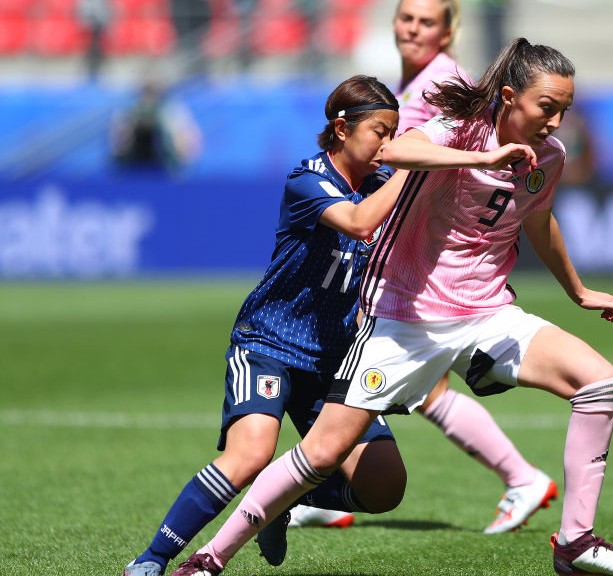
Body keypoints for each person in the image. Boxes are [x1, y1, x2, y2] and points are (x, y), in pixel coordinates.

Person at [168, 38, 613, 576]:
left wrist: (578, 291)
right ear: (511, 97)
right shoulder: (463, 129)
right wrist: (483, 155)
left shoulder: (550, 158)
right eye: (547, 107)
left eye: (565, 109)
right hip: (403, 317)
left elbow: (539, 221)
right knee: (323, 455)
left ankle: (575, 543)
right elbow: (394, 151)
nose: (557, 121)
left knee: (597, 381)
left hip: (488, 312)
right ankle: (210, 557)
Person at [284, 0, 557, 538]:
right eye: (406, 18)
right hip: (396, 252)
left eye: (427, 21)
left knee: (408, 382)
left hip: (422, 263)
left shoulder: (447, 82)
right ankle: (329, 485)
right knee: (392, 379)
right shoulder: (407, 84)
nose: (414, 29)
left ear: (449, 29)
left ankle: (520, 475)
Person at [122, 75, 410, 576]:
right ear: (341, 129)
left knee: (385, 486)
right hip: (270, 341)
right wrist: (412, 168)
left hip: (337, 355)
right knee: (251, 454)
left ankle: (279, 501)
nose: (389, 144)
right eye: (381, 131)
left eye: (396, 133)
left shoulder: (383, 182)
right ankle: (151, 559)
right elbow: (362, 224)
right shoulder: (309, 180)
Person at [109, 79, 202, 172]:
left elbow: (187, 137)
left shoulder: (171, 111)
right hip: (135, 161)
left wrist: (183, 157)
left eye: (151, 94)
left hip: (166, 163)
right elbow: (118, 139)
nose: (148, 99)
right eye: (146, 94)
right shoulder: (129, 112)